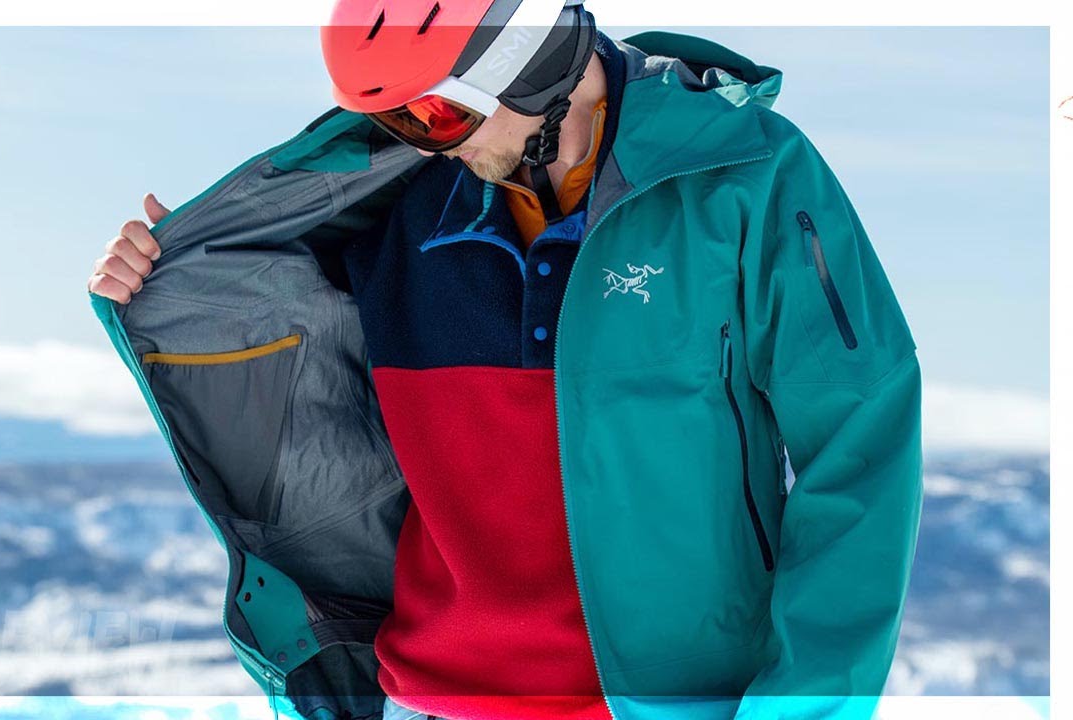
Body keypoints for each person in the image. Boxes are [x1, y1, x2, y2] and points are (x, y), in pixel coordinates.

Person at [87, 4, 924, 720]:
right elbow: (268, 327)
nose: (424, 146)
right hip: (428, 698)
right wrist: (171, 280)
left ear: (528, 60)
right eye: (394, 124)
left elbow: (860, 446)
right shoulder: (404, 208)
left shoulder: (743, 176)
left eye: (435, 115)